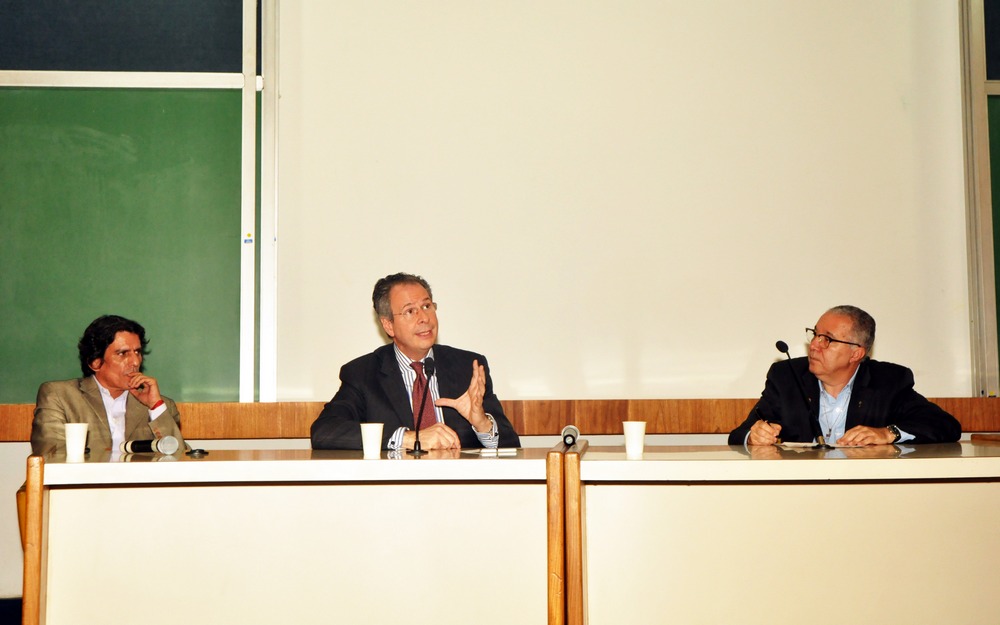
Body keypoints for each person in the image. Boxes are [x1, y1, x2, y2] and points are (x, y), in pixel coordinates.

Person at [311, 272, 520, 451]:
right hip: (394, 490)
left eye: (427, 306)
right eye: (410, 311)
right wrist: (410, 438)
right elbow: (324, 432)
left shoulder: (468, 367)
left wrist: (481, 422)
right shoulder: (363, 374)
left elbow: (512, 445)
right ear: (388, 325)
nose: (424, 318)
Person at [729, 305, 961, 447]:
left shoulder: (888, 381)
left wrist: (888, 433)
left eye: (827, 339)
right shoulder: (787, 376)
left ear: (856, 353)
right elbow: (740, 433)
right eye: (815, 334)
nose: (814, 345)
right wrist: (753, 435)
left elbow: (946, 425)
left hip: (867, 492)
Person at [31, 314, 185, 456]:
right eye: (123, 353)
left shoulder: (161, 406)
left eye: (137, 352)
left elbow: (180, 458)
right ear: (95, 362)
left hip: (138, 485)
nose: (135, 362)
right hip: (85, 484)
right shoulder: (59, 395)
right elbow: (50, 453)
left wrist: (155, 406)